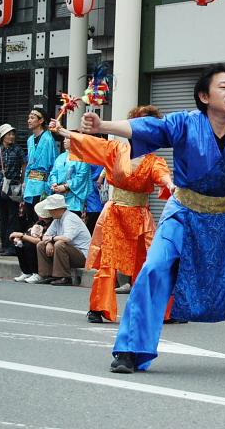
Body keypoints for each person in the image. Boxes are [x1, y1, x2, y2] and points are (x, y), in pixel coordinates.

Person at [78, 64, 225, 374]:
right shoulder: (184, 123)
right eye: (223, 87)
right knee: (154, 269)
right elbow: (150, 128)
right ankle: (131, 350)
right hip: (184, 215)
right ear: (204, 96)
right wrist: (102, 124)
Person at [52, 106, 173, 323]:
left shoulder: (155, 161)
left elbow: (162, 175)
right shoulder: (115, 150)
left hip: (140, 216)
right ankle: (98, 307)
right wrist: (62, 131)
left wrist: (170, 184)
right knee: (108, 261)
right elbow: (90, 142)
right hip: (115, 213)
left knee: (150, 261)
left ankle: (158, 309)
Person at [33, 194, 92, 286]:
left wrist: (51, 239)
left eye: (51, 210)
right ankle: (46, 274)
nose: (49, 212)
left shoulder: (70, 218)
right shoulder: (57, 220)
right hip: (70, 253)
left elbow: (67, 238)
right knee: (41, 244)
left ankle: (64, 277)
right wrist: (49, 242)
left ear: (57, 209)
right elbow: (45, 236)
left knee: (60, 244)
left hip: (83, 256)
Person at [0, 123, 26, 257]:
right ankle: (4, 245)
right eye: (8, 134)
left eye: (12, 134)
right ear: (2, 136)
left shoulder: (18, 150)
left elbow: (24, 166)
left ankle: (11, 246)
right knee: (3, 217)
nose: (11, 136)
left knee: (13, 216)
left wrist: (23, 182)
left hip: (14, 186)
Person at [22, 108, 59, 219]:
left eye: (32, 118)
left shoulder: (48, 139)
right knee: (29, 214)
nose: (29, 120)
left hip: (43, 182)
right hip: (30, 181)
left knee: (40, 215)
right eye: (29, 117)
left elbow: (53, 161)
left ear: (41, 121)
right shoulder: (30, 140)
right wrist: (25, 181)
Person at [48, 134, 91, 216]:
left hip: (73, 199)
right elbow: (53, 173)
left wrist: (65, 186)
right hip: (59, 198)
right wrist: (54, 184)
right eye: (64, 138)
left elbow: (81, 177)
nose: (64, 141)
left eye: (67, 138)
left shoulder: (82, 158)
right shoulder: (61, 157)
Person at [10, 215, 50, 283]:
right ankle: (26, 272)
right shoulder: (39, 223)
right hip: (38, 242)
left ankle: (37, 273)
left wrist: (21, 236)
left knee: (30, 245)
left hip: (46, 244)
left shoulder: (51, 224)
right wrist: (18, 238)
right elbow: (28, 233)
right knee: (19, 244)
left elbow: (39, 240)